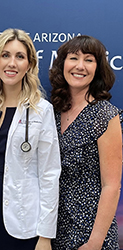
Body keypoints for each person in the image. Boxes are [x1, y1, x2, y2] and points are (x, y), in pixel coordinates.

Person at [0, 28, 61, 250]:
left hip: (25, 222)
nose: (12, 63)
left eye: (20, 57)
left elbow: (50, 174)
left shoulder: (41, 110)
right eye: (5, 55)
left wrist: (45, 236)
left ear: (29, 65)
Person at [49, 35, 122, 250]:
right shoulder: (51, 112)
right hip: (53, 228)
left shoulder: (105, 115)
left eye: (89, 60)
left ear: (98, 68)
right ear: (63, 64)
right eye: (74, 58)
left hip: (90, 234)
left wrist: (95, 242)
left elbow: (112, 186)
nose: (80, 66)